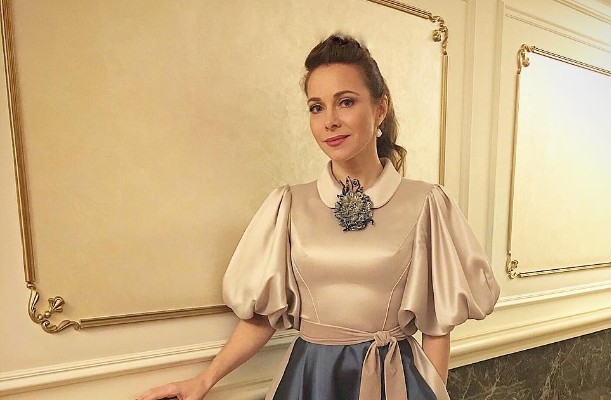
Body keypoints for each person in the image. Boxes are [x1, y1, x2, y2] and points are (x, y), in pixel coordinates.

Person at [137, 34, 499, 400]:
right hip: (311, 380)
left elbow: (437, 327)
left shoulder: (426, 203)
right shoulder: (288, 206)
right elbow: (262, 317)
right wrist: (204, 380)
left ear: (380, 109)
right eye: (316, 107)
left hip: (393, 382)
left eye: (346, 102)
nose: (330, 121)